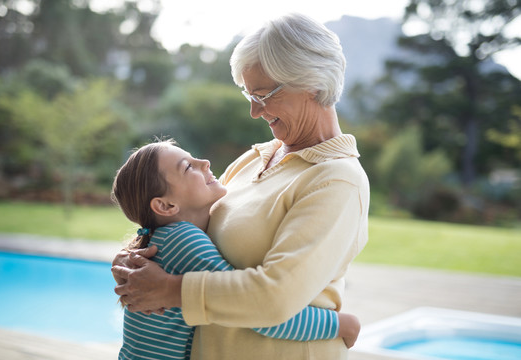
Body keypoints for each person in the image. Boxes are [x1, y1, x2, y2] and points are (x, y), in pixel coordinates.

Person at [112, 13, 370, 360]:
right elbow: (187, 230)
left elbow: (273, 299)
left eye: (263, 95)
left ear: (311, 82)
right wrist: (140, 260)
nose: (253, 110)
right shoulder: (254, 160)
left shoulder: (337, 180)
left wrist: (172, 290)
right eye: (249, 94)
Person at [111, 140, 361, 359]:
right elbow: (254, 310)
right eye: (188, 167)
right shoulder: (184, 241)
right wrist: (338, 324)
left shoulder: (164, 238)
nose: (204, 162)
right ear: (165, 205)